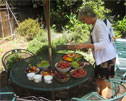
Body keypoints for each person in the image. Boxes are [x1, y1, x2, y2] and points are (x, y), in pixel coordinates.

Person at [67, 5, 116, 98]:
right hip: (102, 58)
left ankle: (102, 99)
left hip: (106, 58)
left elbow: (104, 44)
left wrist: (86, 45)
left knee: (104, 83)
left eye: (83, 19)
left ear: (89, 16)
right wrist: (82, 45)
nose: (83, 21)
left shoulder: (99, 25)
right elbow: (92, 42)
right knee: (98, 80)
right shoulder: (95, 24)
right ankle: (98, 96)